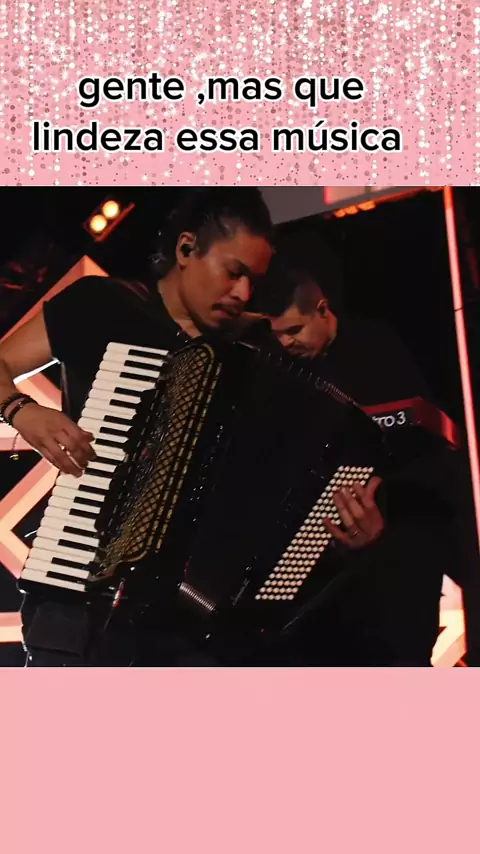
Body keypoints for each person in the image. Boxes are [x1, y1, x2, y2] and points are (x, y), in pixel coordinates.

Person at [0, 189, 383, 667]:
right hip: (79, 587)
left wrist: (346, 536)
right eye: (233, 272)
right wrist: (21, 409)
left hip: (197, 633)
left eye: (253, 281)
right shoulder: (103, 305)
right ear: (186, 249)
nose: (243, 294)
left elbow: (293, 501)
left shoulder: (259, 351)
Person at [254, 261, 457, 666]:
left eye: (294, 330)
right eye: (277, 334)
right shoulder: (287, 369)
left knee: (401, 655)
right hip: (335, 565)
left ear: (323, 310)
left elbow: (420, 439)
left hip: (403, 534)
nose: (285, 343)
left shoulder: (375, 343)